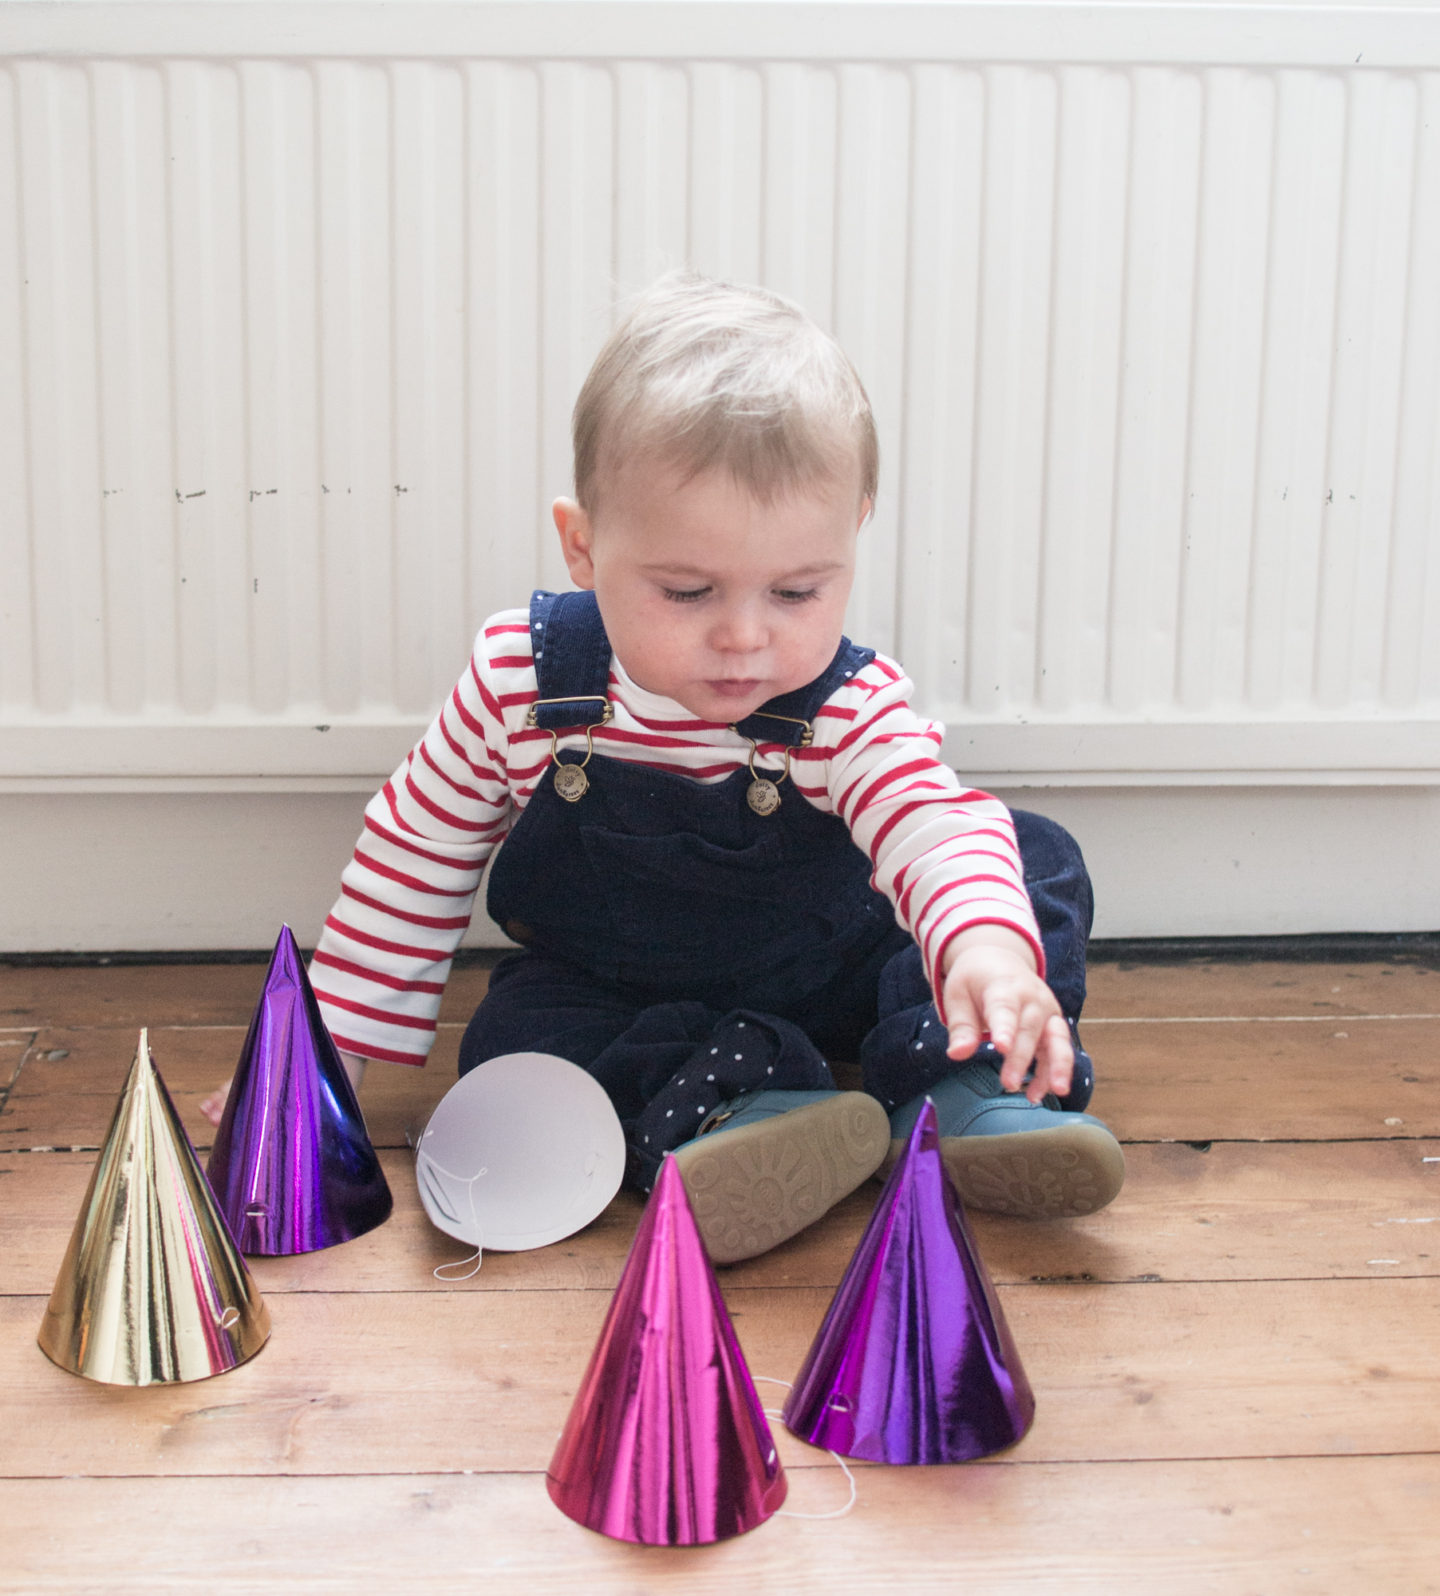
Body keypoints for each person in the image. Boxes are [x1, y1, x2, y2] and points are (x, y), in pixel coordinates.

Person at [208, 272, 1124, 1263]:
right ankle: (746, 1115)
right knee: (517, 1044)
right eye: (688, 592)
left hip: (832, 966)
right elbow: (415, 846)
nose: (745, 636)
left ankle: (966, 1085)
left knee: (1029, 858)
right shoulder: (527, 684)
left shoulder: (847, 705)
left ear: (854, 531)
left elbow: (926, 824)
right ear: (584, 546)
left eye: (796, 590)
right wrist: (323, 1047)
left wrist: (985, 950)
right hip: (619, 984)